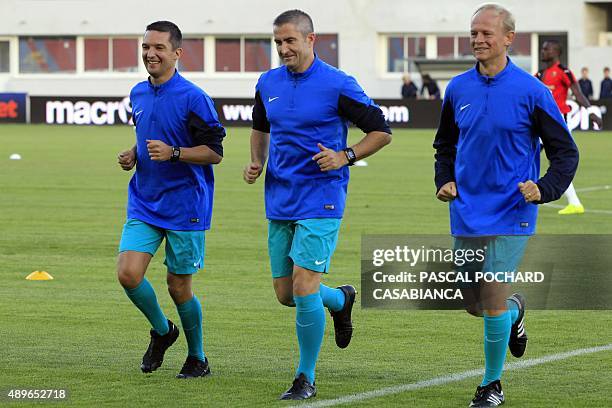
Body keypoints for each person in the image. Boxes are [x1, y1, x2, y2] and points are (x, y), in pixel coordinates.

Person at [433, 4, 578, 407]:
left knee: (491, 296)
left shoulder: (532, 92)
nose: (478, 39)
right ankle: (515, 312)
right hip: (466, 211)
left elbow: (565, 153)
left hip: (512, 211)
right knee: (472, 303)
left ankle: (491, 384)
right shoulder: (457, 88)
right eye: (473, 33)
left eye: (486, 33)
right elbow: (444, 145)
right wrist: (444, 180)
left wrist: (544, 188)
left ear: (509, 38)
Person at [243, 9, 391, 401]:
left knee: (304, 286)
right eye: (278, 42)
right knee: (286, 294)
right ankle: (341, 300)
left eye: (290, 40)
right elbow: (260, 127)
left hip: (322, 198)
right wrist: (257, 160)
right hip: (279, 197)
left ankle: (304, 377)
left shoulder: (337, 83)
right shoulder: (267, 82)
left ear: (311, 40)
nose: (283, 48)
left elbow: (381, 131)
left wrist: (346, 155)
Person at [116, 21, 225, 379]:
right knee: (128, 274)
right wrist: (134, 153)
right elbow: (150, 134)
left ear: (177, 53)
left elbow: (214, 152)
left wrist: (174, 153)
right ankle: (163, 331)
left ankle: (198, 358)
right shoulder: (137, 92)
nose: (150, 54)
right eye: (146, 47)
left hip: (185, 206)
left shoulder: (194, 97)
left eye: (159, 48)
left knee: (179, 288)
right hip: (144, 201)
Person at [536, 40, 602, 215]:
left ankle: (528, 190)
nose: (543, 51)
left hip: (557, 122)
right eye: (542, 49)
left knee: (535, 155)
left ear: (556, 52)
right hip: (541, 123)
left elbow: (578, 93)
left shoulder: (563, 71)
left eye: (546, 49)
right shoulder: (540, 74)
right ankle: (574, 202)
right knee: (552, 160)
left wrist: (591, 111)